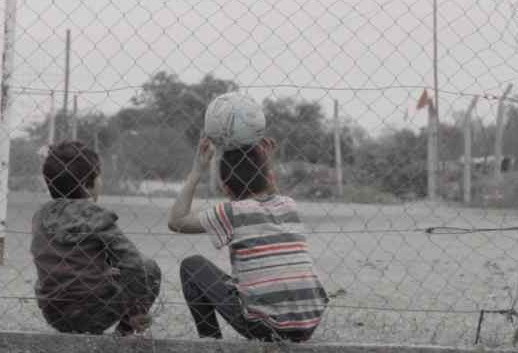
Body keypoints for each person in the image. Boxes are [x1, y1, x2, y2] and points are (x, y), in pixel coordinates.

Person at [167, 137, 329, 341]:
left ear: (226, 189)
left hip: (265, 328)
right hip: (307, 325)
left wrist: (197, 171)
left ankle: (211, 343)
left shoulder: (232, 212)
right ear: (267, 178)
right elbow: (271, 192)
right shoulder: (288, 205)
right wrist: (265, 162)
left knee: (192, 265)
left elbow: (176, 221)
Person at [30, 140, 161, 335]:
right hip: (93, 312)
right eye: (99, 175)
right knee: (149, 268)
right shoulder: (96, 216)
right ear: (86, 184)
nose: (101, 181)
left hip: (53, 312)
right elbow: (133, 263)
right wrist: (136, 310)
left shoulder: (40, 215)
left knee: (102, 263)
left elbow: (72, 258)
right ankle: (126, 331)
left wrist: (104, 272)